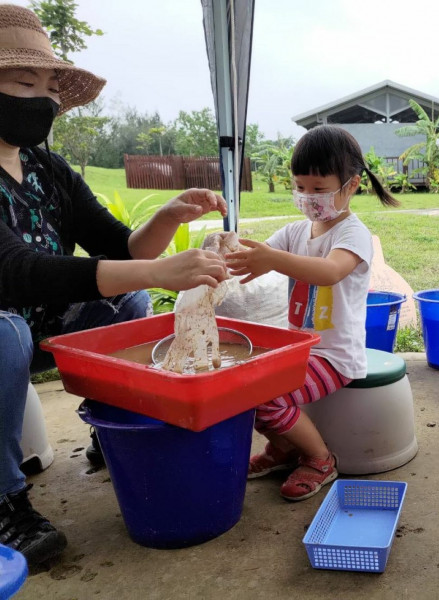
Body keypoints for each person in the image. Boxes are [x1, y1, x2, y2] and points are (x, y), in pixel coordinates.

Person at [0, 4, 228, 566]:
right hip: (6, 329)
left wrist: (169, 217)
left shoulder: (48, 168)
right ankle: (4, 499)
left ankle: (113, 428)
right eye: (25, 84)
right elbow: (17, 271)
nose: (43, 101)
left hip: (39, 323)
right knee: (3, 334)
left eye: (51, 89)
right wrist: (159, 270)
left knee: (130, 299)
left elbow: (122, 248)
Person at [225, 125, 399, 501]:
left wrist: (273, 260)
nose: (308, 197)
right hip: (299, 349)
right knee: (243, 388)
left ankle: (320, 459)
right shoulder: (295, 232)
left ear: (351, 186)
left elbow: (330, 271)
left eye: (319, 189)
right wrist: (228, 256)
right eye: (300, 187)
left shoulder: (352, 234)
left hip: (335, 356)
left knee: (268, 398)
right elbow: (258, 254)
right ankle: (284, 449)